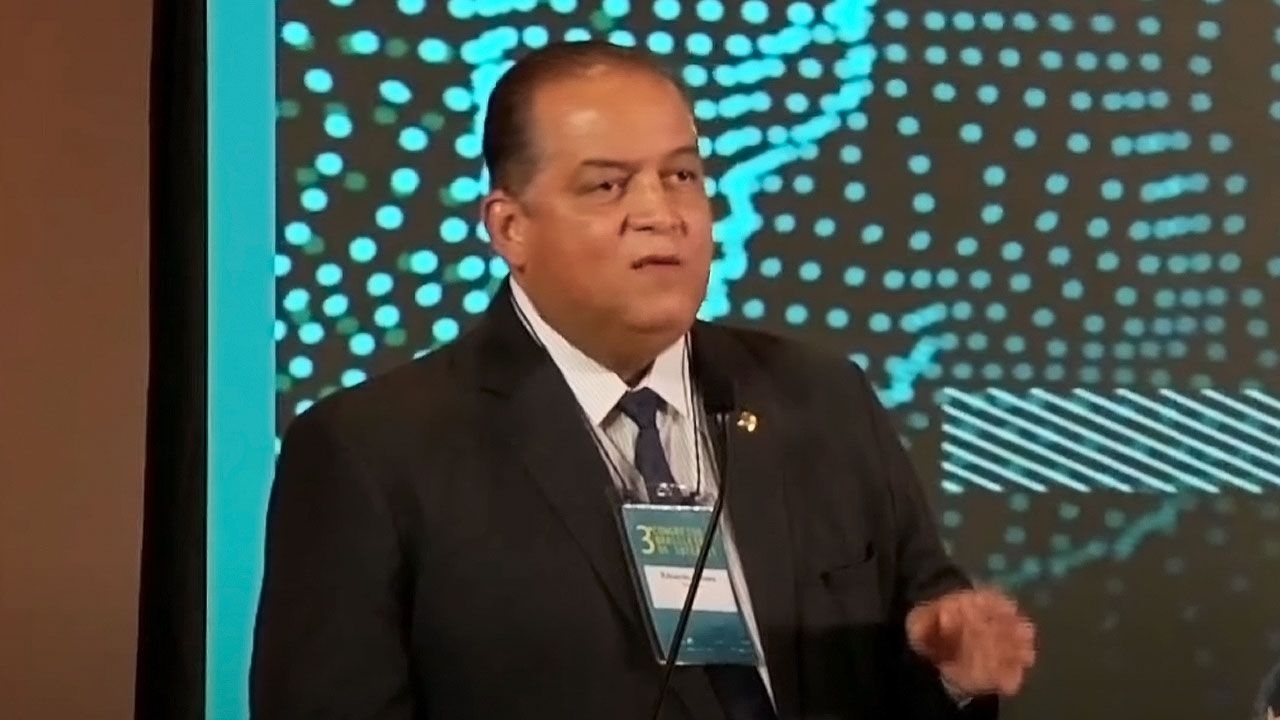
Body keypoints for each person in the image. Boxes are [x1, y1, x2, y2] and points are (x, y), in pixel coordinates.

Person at [250, 40, 1036, 719]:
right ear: (510, 228)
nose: (662, 214)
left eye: (683, 175)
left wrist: (951, 667)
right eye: (608, 185)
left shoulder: (821, 397)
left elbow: (922, 642)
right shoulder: (373, 452)